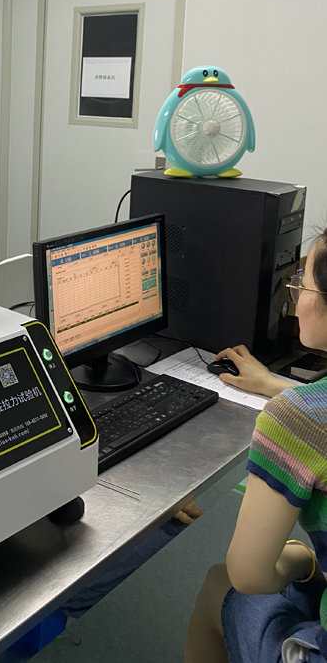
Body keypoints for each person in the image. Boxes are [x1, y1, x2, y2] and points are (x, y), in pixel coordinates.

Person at [185, 234, 327, 663]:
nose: (295, 298)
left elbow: (250, 576)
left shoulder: (298, 420)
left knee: (221, 585)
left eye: (302, 284)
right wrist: (272, 384)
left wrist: (302, 560)